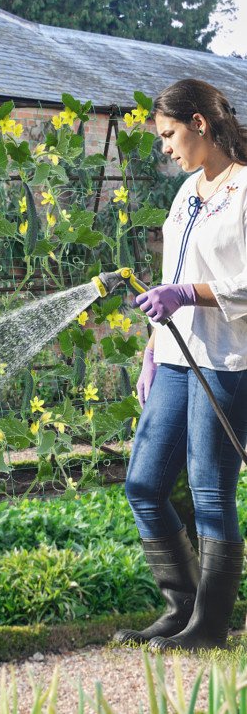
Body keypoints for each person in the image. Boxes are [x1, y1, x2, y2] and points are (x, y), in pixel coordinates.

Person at [113, 79, 247, 652]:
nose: (165, 148)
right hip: (173, 355)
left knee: (210, 490)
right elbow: (172, 275)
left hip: (225, 359)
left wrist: (188, 295)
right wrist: (150, 349)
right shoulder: (187, 191)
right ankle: (182, 610)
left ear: (199, 123)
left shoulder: (244, 189)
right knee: (143, 484)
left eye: (169, 135)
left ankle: (210, 628)